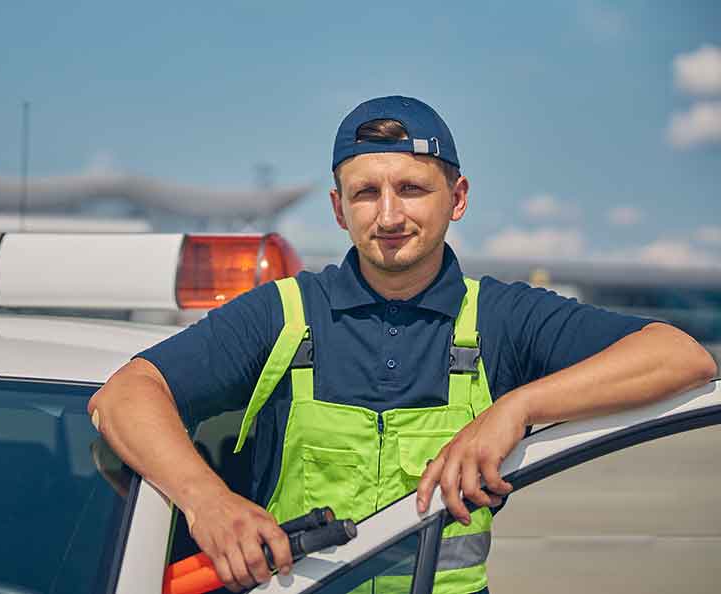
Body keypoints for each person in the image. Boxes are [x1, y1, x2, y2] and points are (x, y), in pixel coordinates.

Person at [88, 96, 717, 594]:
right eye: (366, 193)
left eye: (412, 189)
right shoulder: (284, 313)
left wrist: (518, 408)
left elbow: (681, 356)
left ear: (458, 198)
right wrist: (207, 502)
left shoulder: (497, 317)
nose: (388, 216)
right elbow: (124, 396)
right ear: (338, 209)